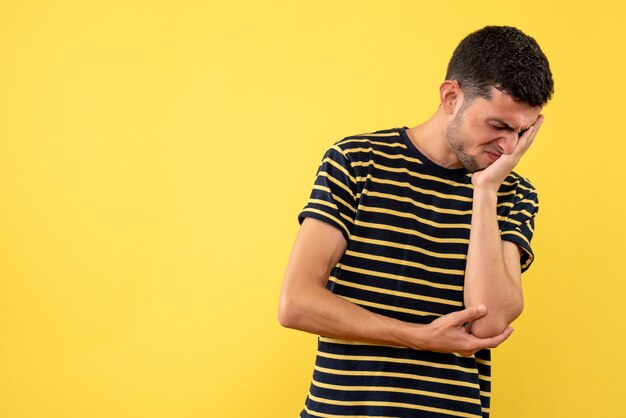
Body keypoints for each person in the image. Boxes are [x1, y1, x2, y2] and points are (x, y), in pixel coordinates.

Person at [278, 25, 554, 418]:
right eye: (498, 126)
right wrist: (418, 337)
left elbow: (488, 322)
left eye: (523, 132)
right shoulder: (358, 162)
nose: (509, 147)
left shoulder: (512, 194)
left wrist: (486, 191)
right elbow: (297, 303)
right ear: (451, 97)